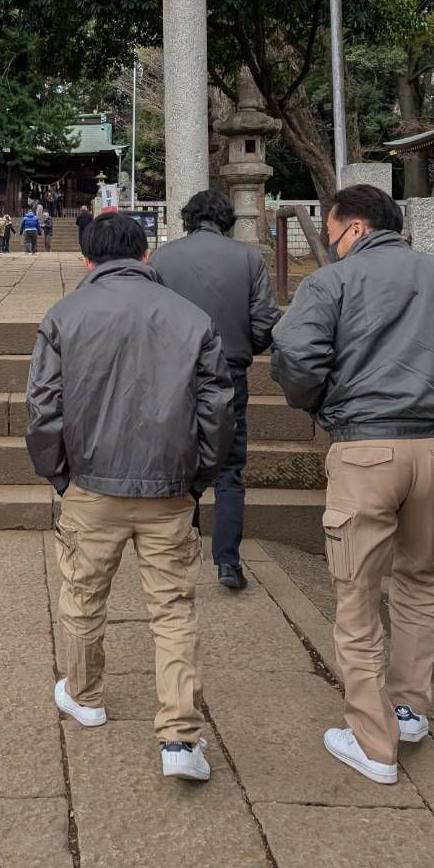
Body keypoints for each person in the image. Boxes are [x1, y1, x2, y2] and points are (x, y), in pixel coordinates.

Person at [271, 184, 434, 785]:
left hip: (365, 446)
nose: (331, 245)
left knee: (356, 591)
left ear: (355, 228)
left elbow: (296, 355)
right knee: (421, 577)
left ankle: (374, 743)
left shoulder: (331, 283)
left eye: (332, 233)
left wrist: (325, 405)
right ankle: (409, 709)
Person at [26, 213, 234, 780]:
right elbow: (218, 410)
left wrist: (59, 475)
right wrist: (199, 477)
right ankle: (181, 737)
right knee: (173, 608)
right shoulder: (191, 317)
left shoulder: (64, 315)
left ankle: (85, 694)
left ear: (87, 260)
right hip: (170, 487)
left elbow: (44, 408)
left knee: (83, 594)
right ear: (146, 255)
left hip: (91, 484)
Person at [152, 190, 280, 591]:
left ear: (188, 219)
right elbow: (266, 320)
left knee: (181, 464)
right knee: (229, 467)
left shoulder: (162, 259)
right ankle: (227, 561)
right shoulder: (248, 258)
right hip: (229, 369)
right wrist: (245, 347)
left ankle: (181, 552)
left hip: (176, 372)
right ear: (227, 220)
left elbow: (150, 318)